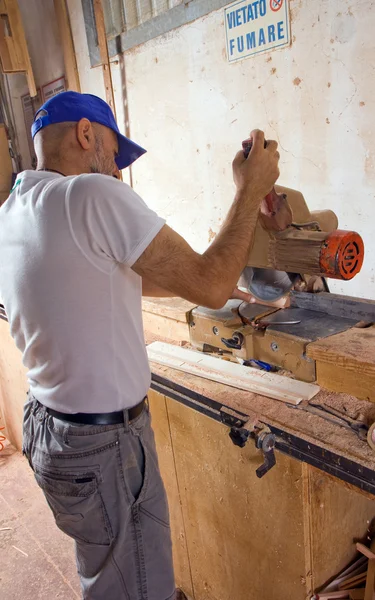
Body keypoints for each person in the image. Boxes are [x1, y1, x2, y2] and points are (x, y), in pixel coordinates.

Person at [0, 91, 279, 600]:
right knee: (138, 587)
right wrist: (249, 189)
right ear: (86, 135)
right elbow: (213, 285)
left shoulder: (14, 212)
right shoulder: (89, 195)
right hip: (104, 449)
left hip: (47, 430)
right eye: (113, 153)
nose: (116, 173)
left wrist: (201, 277)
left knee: (107, 574)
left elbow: (115, 272)